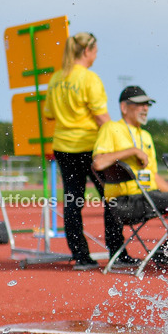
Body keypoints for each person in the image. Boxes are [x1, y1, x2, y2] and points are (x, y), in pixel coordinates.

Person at [92, 86, 168, 268]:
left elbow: (153, 177)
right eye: (140, 104)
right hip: (124, 202)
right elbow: (98, 163)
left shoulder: (146, 136)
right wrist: (132, 151)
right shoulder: (111, 128)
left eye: (147, 104)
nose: (145, 108)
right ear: (124, 107)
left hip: (148, 197)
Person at [44, 32, 125, 271]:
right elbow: (101, 116)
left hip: (63, 146)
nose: (97, 55)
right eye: (96, 50)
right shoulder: (89, 79)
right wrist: (119, 139)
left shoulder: (57, 78)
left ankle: (80, 256)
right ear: (87, 51)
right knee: (110, 196)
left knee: (72, 200)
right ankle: (117, 252)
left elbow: (48, 113)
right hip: (90, 146)